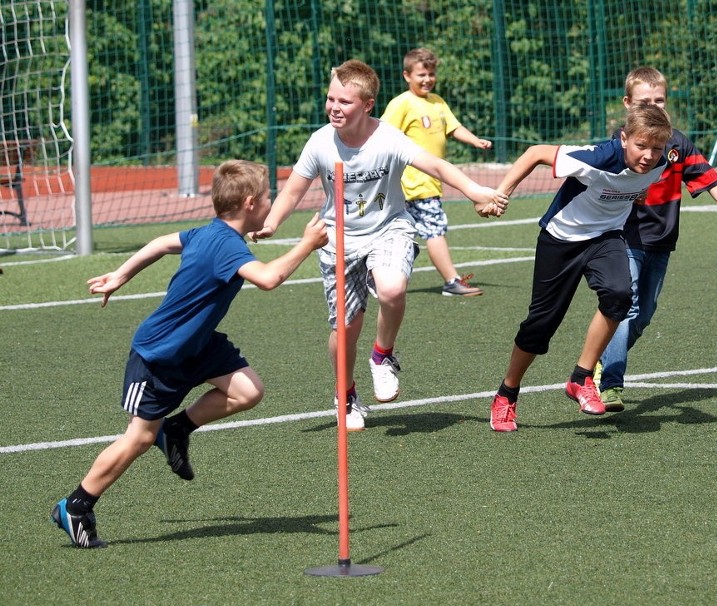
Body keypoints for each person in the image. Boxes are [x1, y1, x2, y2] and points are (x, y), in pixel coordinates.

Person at [50, 160, 328, 548]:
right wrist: (307, 244)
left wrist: (122, 275)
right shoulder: (227, 246)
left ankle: (178, 429)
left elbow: (162, 243)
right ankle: (77, 505)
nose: (271, 203)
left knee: (248, 391)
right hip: (159, 354)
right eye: (268, 197)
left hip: (198, 345)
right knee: (139, 439)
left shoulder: (211, 233)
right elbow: (269, 279)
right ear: (249, 203)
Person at [251, 59, 506, 432]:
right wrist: (271, 222)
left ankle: (382, 355)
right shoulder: (321, 142)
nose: (334, 107)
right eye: (330, 99)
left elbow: (436, 166)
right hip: (338, 241)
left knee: (391, 288)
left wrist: (474, 191)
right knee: (345, 330)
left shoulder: (387, 138)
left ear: (368, 105)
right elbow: (293, 189)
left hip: (390, 229)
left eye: (345, 102)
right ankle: (346, 392)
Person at [488, 104, 673, 432]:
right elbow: (535, 153)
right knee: (541, 325)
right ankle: (507, 394)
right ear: (624, 138)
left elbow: (639, 185)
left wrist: (636, 195)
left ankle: (581, 377)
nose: (648, 155)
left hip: (607, 238)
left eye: (656, 149)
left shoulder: (664, 160)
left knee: (619, 295)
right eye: (641, 146)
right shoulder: (597, 158)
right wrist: (501, 193)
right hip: (561, 239)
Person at [597, 67, 717, 412]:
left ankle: (601, 358)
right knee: (628, 306)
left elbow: (711, 180)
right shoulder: (620, 143)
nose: (654, 108)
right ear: (627, 105)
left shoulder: (678, 144)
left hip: (662, 243)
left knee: (643, 316)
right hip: (625, 239)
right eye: (644, 102)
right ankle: (609, 384)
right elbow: (594, 182)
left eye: (660, 101)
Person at [381, 47, 493, 297]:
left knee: (398, 234)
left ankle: (383, 280)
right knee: (434, 229)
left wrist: (475, 140)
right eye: (421, 74)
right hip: (412, 184)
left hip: (428, 184)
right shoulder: (401, 104)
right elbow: (383, 135)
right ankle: (451, 281)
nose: (427, 79)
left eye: (431, 74)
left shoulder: (438, 103)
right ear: (406, 75)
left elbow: (454, 128)